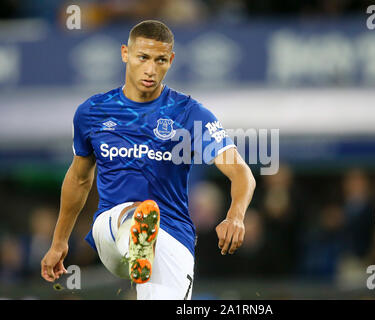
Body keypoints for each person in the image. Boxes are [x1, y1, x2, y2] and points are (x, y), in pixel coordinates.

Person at [40, 20, 256, 300]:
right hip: (111, 228)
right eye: (143, 57)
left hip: (171, 237)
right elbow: (80, 179)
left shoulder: (190, 114)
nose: (151, 69)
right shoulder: (92, 112)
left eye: (160, 60)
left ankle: (142, 243)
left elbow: (241, 172)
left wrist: (235, 216)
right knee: (134, 215)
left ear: (171, 60)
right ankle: (137, 235)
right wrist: (59, 242)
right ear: (125, 54)